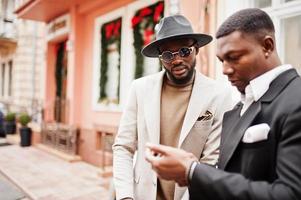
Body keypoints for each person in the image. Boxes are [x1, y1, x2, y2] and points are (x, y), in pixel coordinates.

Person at [145, 8, 301, 200]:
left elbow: (290, 194)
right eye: (221, 60)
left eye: (233, 57)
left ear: (267, 46)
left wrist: (192, 171)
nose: (225, 70)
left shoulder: (296, 99)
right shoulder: (237, 109)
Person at [113, 15, 232, 200]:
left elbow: (210, 161)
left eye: (184, 51)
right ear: (160, 57)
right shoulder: (140, 89)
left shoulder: (219, 95)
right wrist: (125, 196)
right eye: (168, 55)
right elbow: (123, 147)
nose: (176, 60)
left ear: (196, 50)